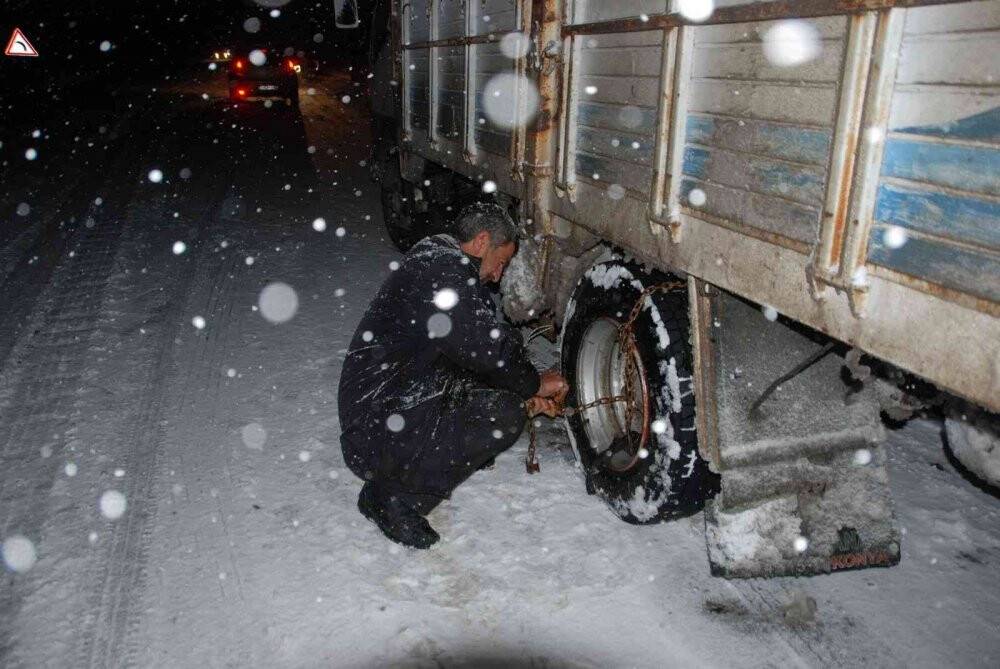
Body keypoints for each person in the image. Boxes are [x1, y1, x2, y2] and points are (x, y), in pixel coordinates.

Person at [338, 202, 568, 548]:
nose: (498, 274)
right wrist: (536, 384)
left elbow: (478, 348)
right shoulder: (445, 275)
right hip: (374, 428)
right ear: (481, 242)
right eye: (501, 261)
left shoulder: (439, 262)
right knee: (503, 414)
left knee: (502, 370)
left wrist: (522, 387)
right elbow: (486, 350)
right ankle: (392, 498)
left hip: (383, 403)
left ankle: (431, 455)